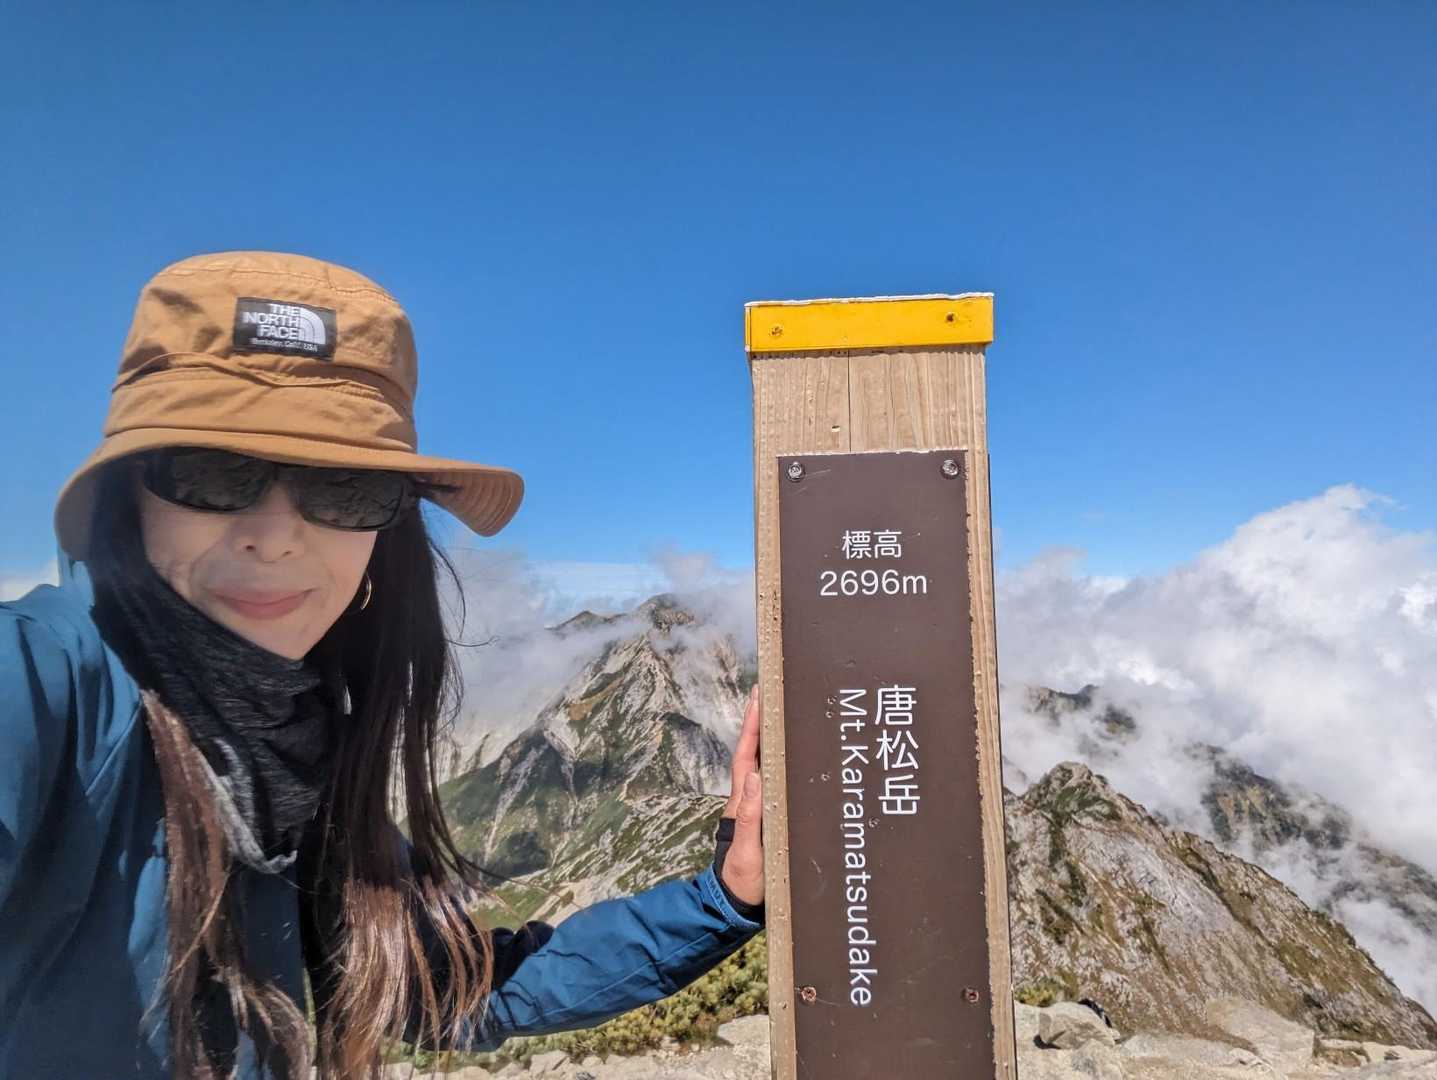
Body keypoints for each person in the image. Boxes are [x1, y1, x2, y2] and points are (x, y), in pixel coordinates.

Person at [0, 251, 767, 1079]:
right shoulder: (38, 683)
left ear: (387, 531)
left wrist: (722, 896)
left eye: (346, 489)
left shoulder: (302, 751)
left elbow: (448, 991)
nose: (276, 535)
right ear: (131, 493)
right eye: (213, 473)